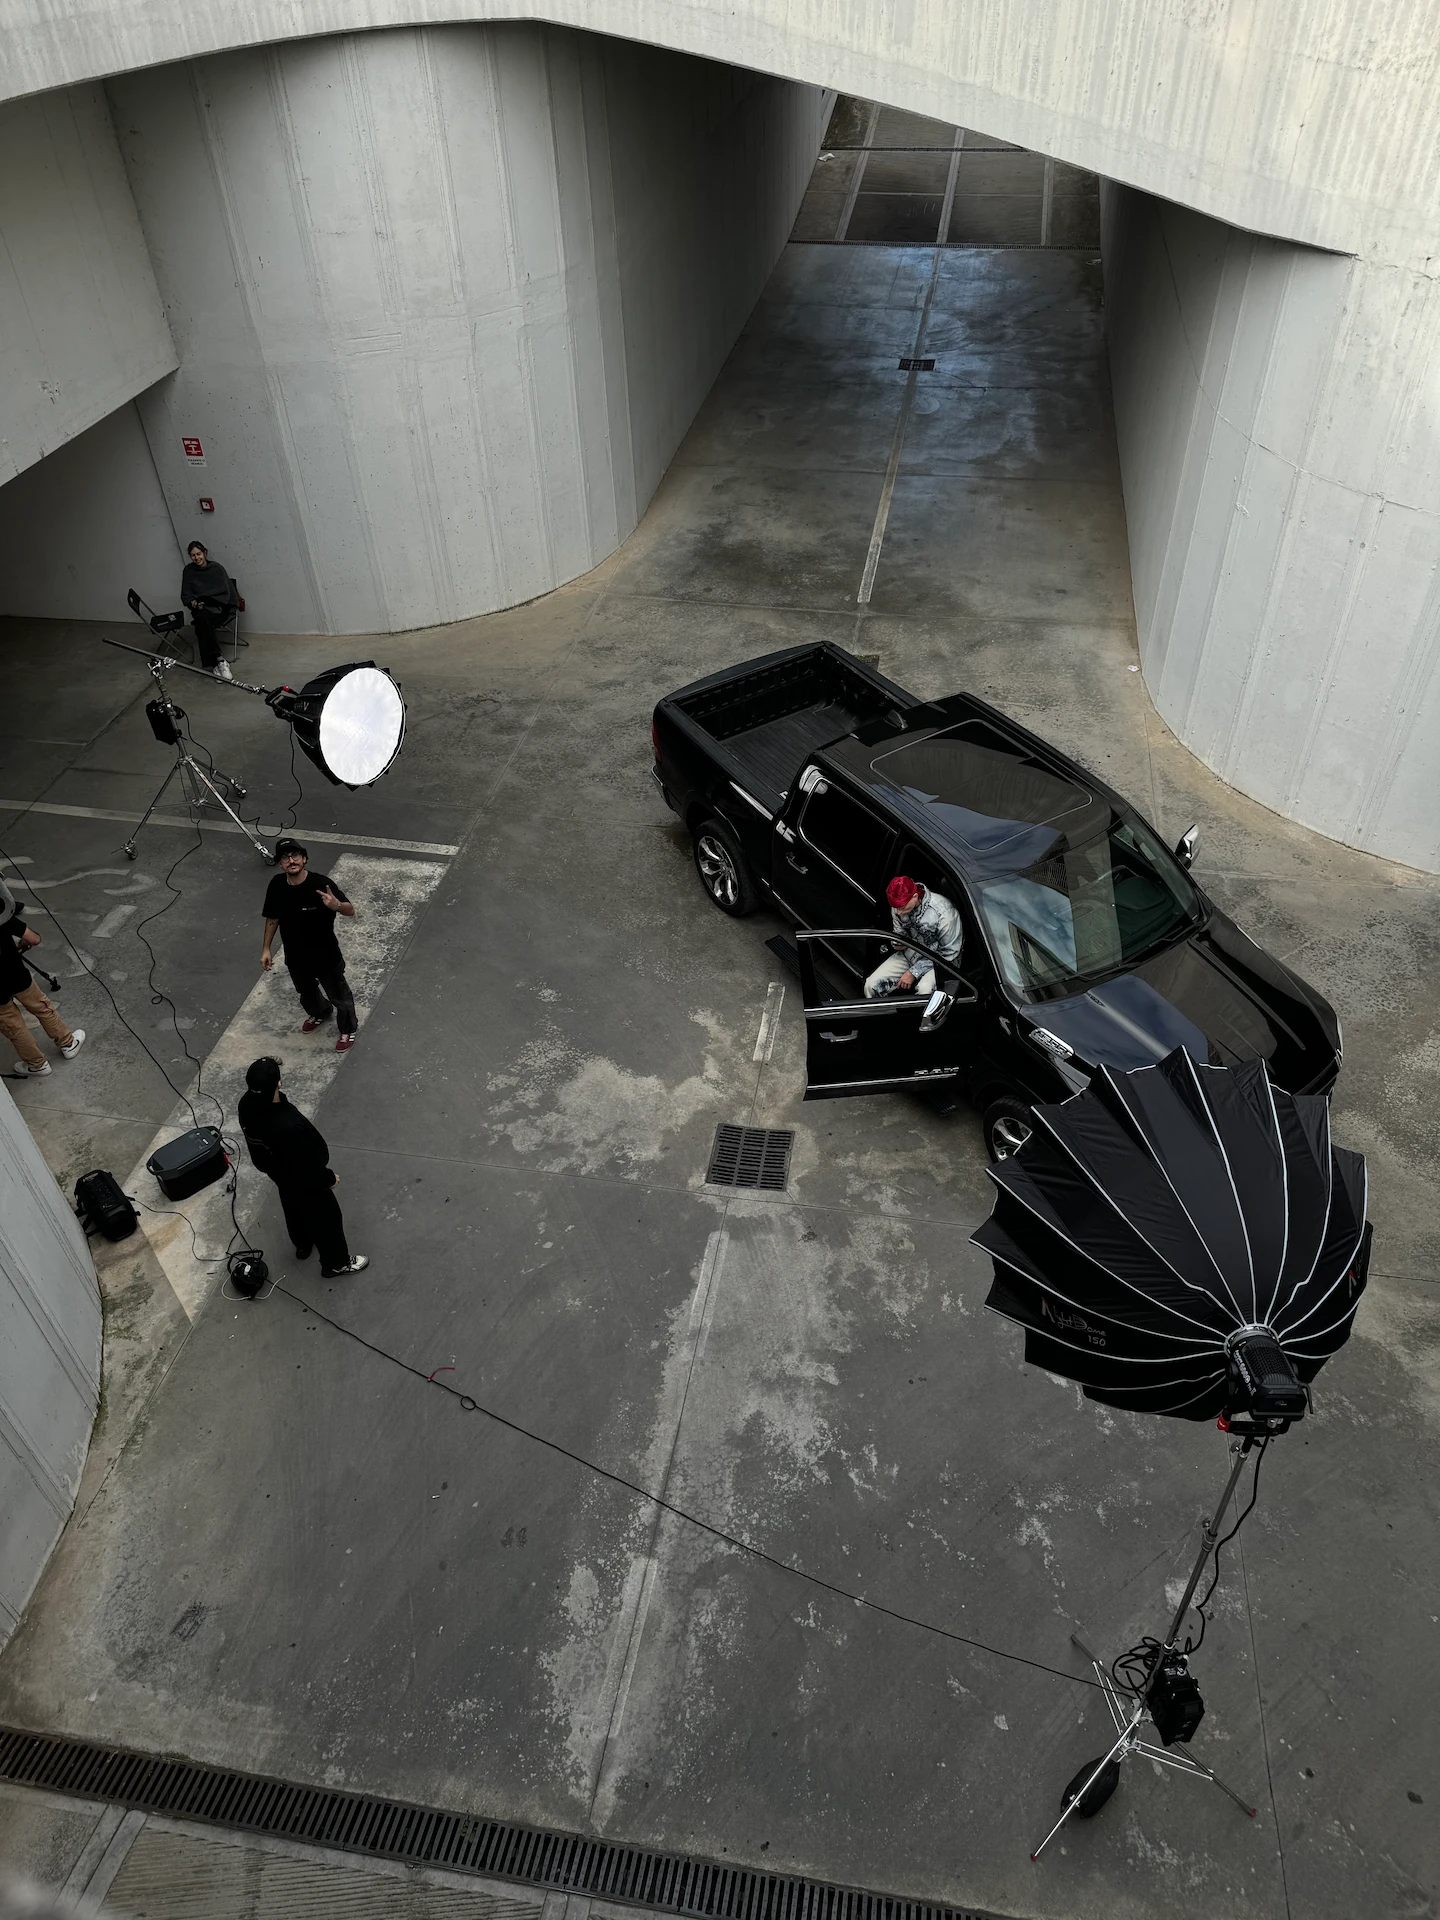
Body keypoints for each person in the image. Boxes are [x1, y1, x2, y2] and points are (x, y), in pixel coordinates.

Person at [238, 1056, 367, 1276]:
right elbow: (306, 1164)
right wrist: (328, 1179)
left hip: (278, 1173)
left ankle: (303, 1243)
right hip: (303, 1177)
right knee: (328, 1218)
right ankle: (336, 1263)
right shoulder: (287, 1126)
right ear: (278, 1083)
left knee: (293, 1205)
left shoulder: (246, 1105)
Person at [262, 839, 359, 1051]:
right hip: (296, 957)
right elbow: (272, 918)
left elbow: (350, 910)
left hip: (326, 956)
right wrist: (266, 948)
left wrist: (337, 905)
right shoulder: (277, 885)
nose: (291, 860)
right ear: (280, 864)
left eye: (295, 855)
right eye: (285, 857)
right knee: (306, 993)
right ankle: (320, 1013)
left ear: (304, 859)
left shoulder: (321, 884)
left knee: (340, 997)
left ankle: (347, 1028)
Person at [0, 893, 85, 1078]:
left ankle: (37, 1064)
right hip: (16, 974)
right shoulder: (2, 914)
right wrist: (21, 944)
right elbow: (34, 939)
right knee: (42, 1007)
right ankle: (68, 1044)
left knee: (12, 1024)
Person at [865, 874, 964, 999]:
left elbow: (949, 954)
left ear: (915, 896)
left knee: (924, 991)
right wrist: (897, 942)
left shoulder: (945, 913)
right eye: (895, 908)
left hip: (940, 963)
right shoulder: (898, 906)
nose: (898, 912)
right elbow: (899, 933)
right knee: (871, 985)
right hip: (911, 954)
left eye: (902, 908)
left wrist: (914, 972)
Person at [180, 539, 238, 681]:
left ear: (205, 553)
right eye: (193, 555)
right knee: (202, 619)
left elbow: (226, 593)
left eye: (199, 554)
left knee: (201, 623)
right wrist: (193, 602)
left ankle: (214, 664)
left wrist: (209, 601)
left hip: (220, 609)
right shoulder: (188, 571)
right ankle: (220, 661)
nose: (197, 558)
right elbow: (186, 594)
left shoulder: (216, 568)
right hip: (201, 610)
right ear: (190, 556)